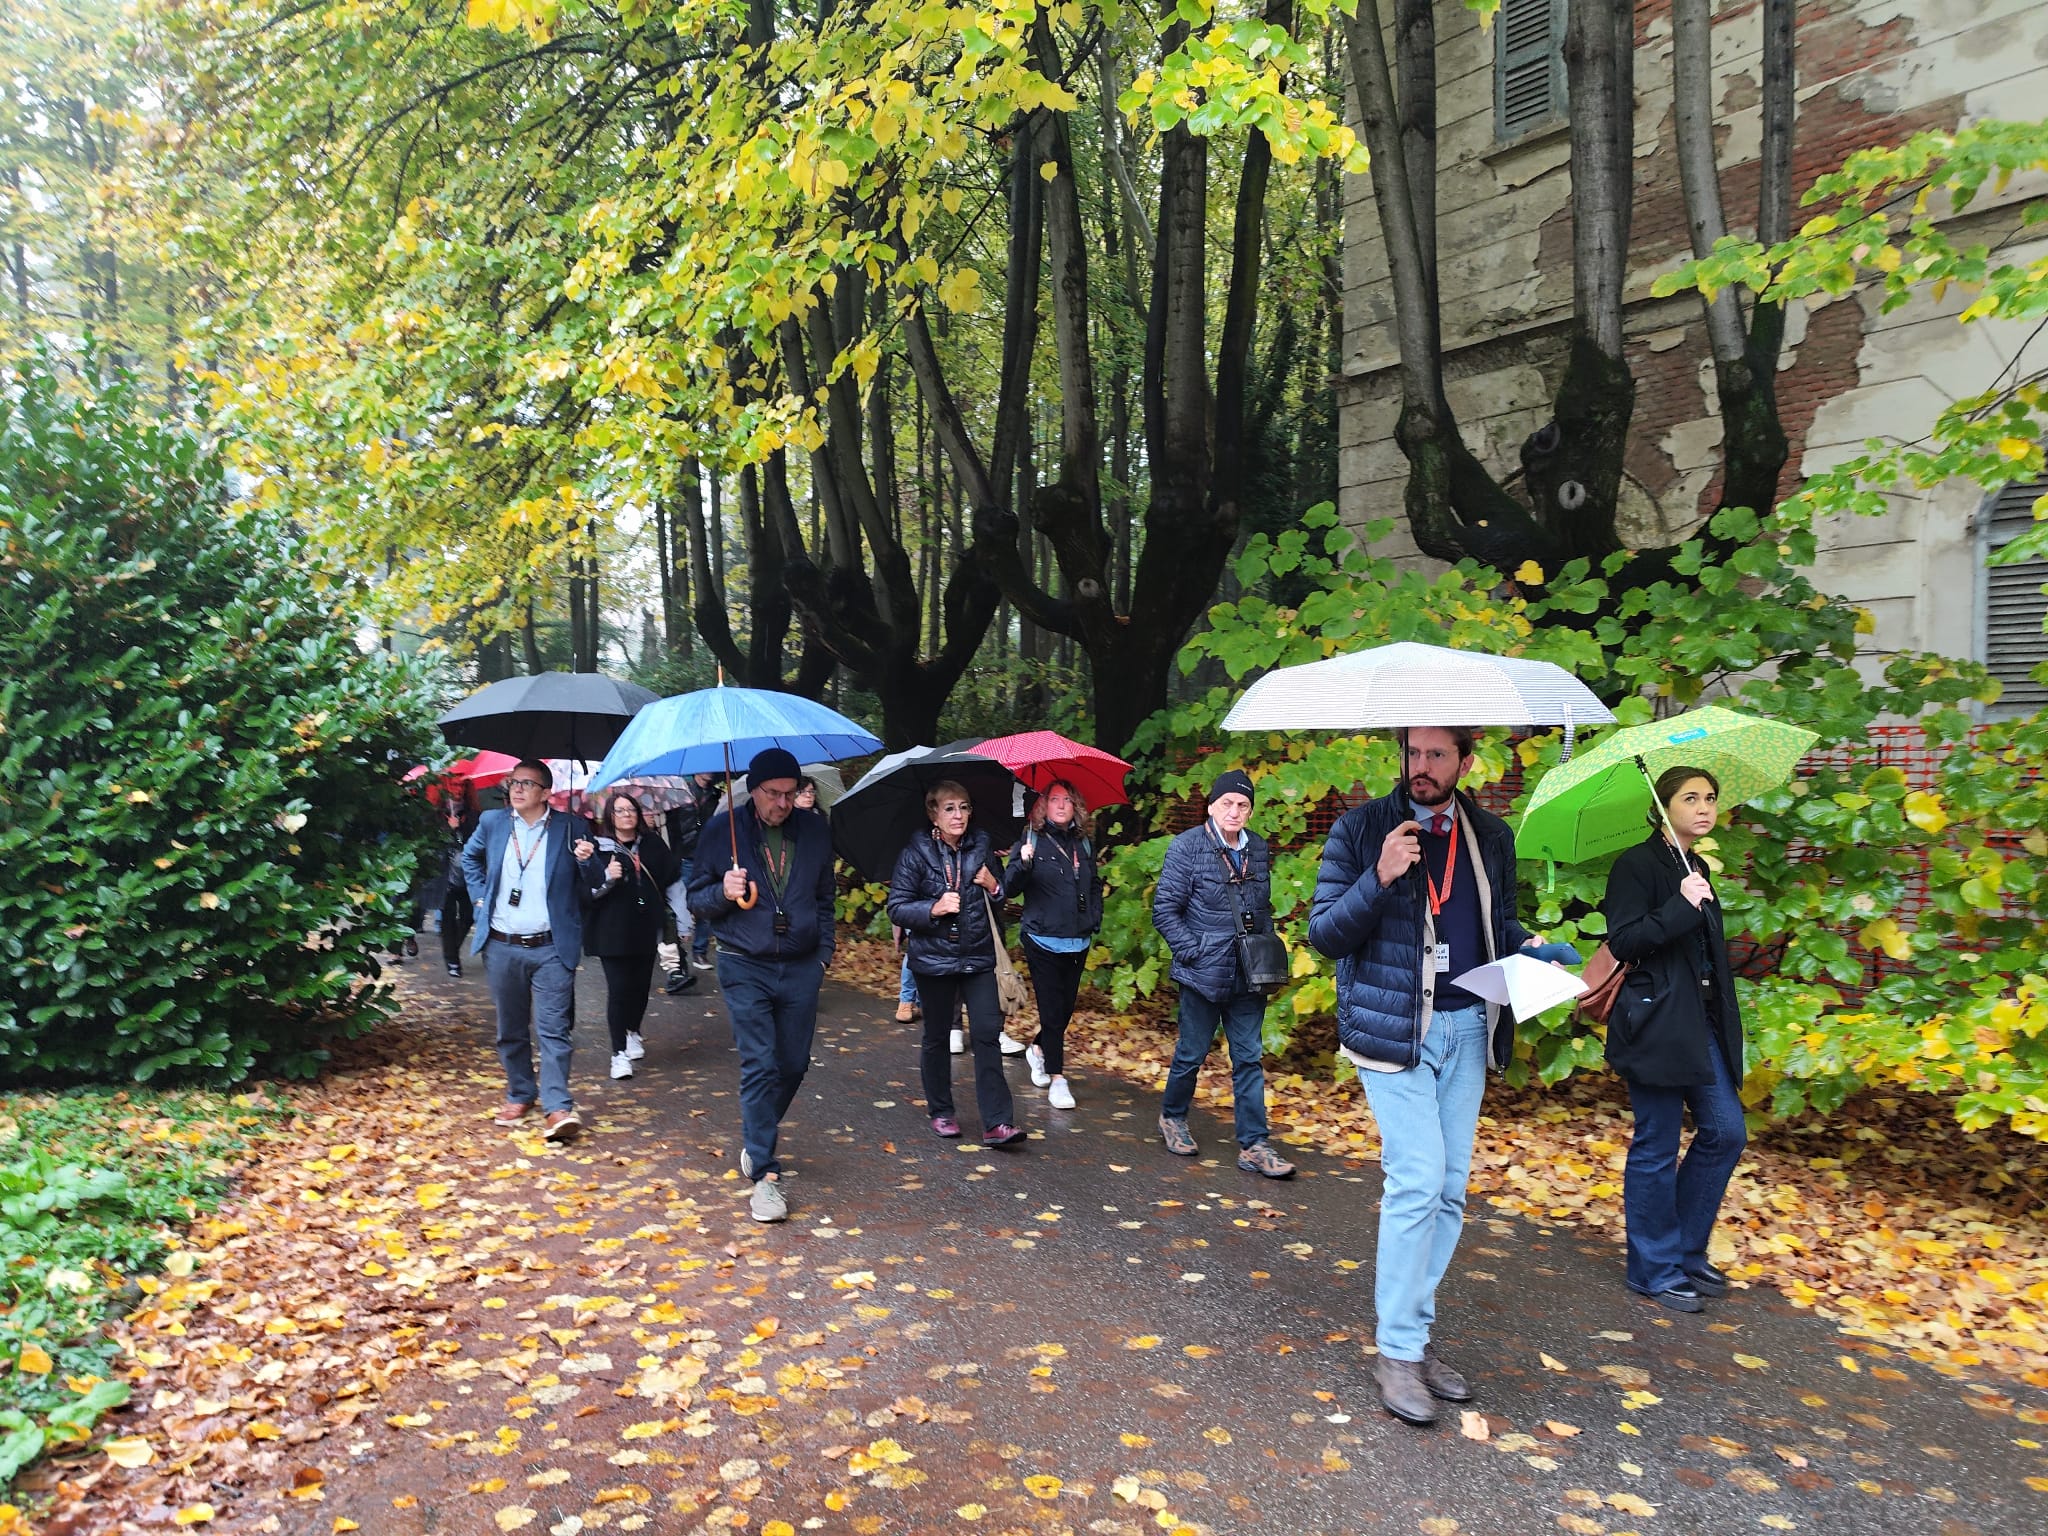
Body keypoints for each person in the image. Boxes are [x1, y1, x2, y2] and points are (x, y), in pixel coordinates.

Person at [1308, 725, 1578, 1427]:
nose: (1421, 766)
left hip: (1469, 1027)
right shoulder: (1360, 830)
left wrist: (1532, 948)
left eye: (1436, 754)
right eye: (1412, 752)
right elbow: (1325, 935)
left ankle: (1413, 1337)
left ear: (1465, 760)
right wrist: (1379, 876)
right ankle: (1397, 1352)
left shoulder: (1490, 836)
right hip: (1395, 1030)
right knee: (1418, 1179)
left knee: (1450, 1191)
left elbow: (1497, 926)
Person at [1604, 765, 1746, 1314]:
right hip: (1657, 1022)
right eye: (1690, 798)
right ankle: (1653, 1270)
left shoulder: (1698, 866)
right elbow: (1625, 941)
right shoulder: (1636, 866)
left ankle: (1684, 1250)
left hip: (1701, 1020)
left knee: (1726, 1132)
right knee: (1657, 1144)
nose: (1704, 807)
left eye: (1710, 797)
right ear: (1663, 806)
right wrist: (1680, 905)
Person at [687, 748, 837, 1224]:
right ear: (753, 790)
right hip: (743, 962)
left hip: (801, 964)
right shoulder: (722, 831)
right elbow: (695, 899)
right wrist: (722, 892)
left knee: (793, 1064)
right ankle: (766, 1175)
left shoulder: (814, 830)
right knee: (760, 1064)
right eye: (774, 794)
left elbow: (825, 897)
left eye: (791, 794)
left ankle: (756, 1138)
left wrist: (823, 954)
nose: (783, 804)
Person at [1154, 770, 1295, 1180]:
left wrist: (1265, 953)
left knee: (1248, 1058)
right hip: (1203, 972)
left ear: (1250, 811)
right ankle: (1172, 1117)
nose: (1234, 811)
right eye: (1227, 803)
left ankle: (1254, 1145)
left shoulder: (1259, 849)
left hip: (1249, 974)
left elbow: (1261, 908)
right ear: (1212, 805)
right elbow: (1165, 910)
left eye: (1243, 805)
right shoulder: (1187, 846)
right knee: (1191, 1053)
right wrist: (1194, 952)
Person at [460, 759, 603, 1142]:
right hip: (501, 944)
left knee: (554, 1030)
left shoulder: (571, 827)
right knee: (510, 1028)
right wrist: (478, 899)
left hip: (551, 946)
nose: (517, 789)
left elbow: (595, 881)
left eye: (526, 783)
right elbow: (469, 858)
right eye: (513, 783)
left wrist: (587, 860)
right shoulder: (492, 822)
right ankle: (521, 1093)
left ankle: (557, 1107)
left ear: (546, 792)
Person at [889, 780, 1024, 1148]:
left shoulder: (982, 846)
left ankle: (997, 1122)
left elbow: (1001, 898)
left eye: (964, 807)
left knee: (987, 1034)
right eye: (949, 808)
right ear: (933, 813)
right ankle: (941, 1111)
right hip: (934, 962)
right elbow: (897, 907)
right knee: (936, 1037)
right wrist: (933, 908)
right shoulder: (915, 853)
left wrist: (994, 885)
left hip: (978, 958)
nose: (958, 815)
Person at [1002, 780, 1101, 1111]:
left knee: (1065, 1009)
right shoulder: (1030, 840)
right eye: (1054, 799)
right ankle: (1058, 1078)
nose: (1061, 805)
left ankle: (1039, 1049)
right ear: (1043, 805)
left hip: (1078, 939)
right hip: (1041, 939)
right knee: (1051, 1010)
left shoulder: (1082, 843)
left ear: (1075, 806)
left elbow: (1094, 884)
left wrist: (1094, 918)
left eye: (1067, 800)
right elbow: (1009, 889)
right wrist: (1022, 863)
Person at [586, 790, 687, 1081]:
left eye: (631, 809)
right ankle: (618, 1053)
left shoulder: (653, 844)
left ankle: (633, 1031)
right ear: (610, 816)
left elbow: (672, 881)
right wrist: (608, 876)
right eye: (619, 811)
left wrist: (683, 920)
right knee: (619, 989)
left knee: (640, 987)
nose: (626, 815)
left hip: (645, 924)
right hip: (611, 929)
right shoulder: (598, 848)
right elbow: (587, 890)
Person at [439, 786, 479, 977]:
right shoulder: (437, 814)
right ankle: (452, 960)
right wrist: (449, 829)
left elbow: (478, 841)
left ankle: (452, 949)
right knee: (447, 918)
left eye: (461, 786)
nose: (457, 789)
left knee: (468, 916)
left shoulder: (473, 815)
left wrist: (461, 828)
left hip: (467, 875)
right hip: (444, 875)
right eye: (453, 785)